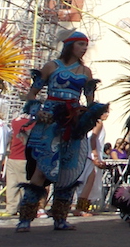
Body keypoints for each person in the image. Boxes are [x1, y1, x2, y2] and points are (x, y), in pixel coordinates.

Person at [17, 31, 107, 232]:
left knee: (69, 170)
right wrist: (37, 111)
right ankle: (26, 217)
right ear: (70, 46)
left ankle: (60, 217)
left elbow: (90, 100)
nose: (84, 48)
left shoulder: (86, 72)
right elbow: (32, 93)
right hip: (49, 121)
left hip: (73, 123)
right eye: (80, 44)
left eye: (86, 45)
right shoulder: (51, 66)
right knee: (42, 167)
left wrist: (90, 115)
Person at [73, 110, 109, 217]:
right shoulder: (98, 123)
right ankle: (81, 208)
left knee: (88, 182)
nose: (107, 114)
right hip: (90, 155)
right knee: (89, 181)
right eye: (105, 112)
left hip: (84, 154)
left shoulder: (87, 123)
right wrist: (95, 154)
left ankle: (84, 206)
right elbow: (93, 138)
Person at [4, 110, 34, 213]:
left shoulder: (15, 122)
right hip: (24, 159)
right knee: (25, 186)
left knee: (12, 185)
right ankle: (25, 208)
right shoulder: (34, 125)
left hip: (13, 157)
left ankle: (11, 209)